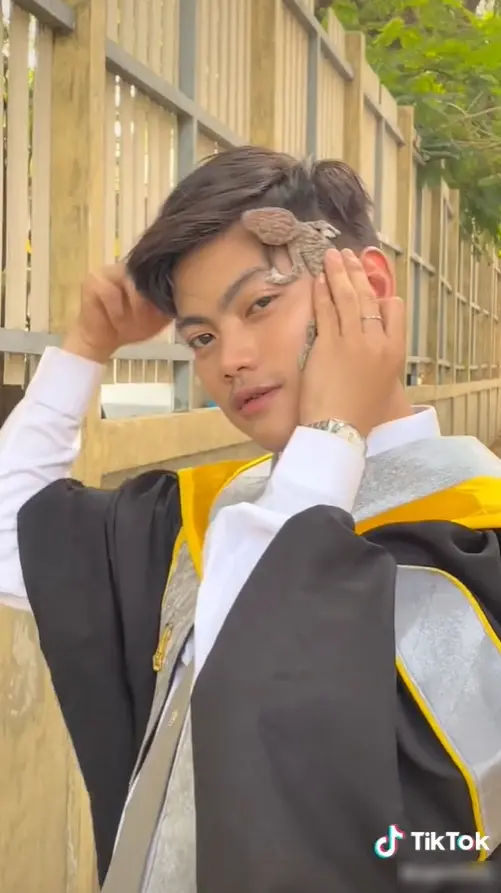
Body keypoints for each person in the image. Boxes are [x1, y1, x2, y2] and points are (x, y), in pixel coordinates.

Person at [1, 145, 501, 893]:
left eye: (259, 304)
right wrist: (86, 346)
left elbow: (286, 755)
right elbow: (14, 537)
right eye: (201, 336)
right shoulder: (220, 515)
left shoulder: (475, 548)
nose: (228, 359)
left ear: (366, 287)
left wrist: (330, 433)